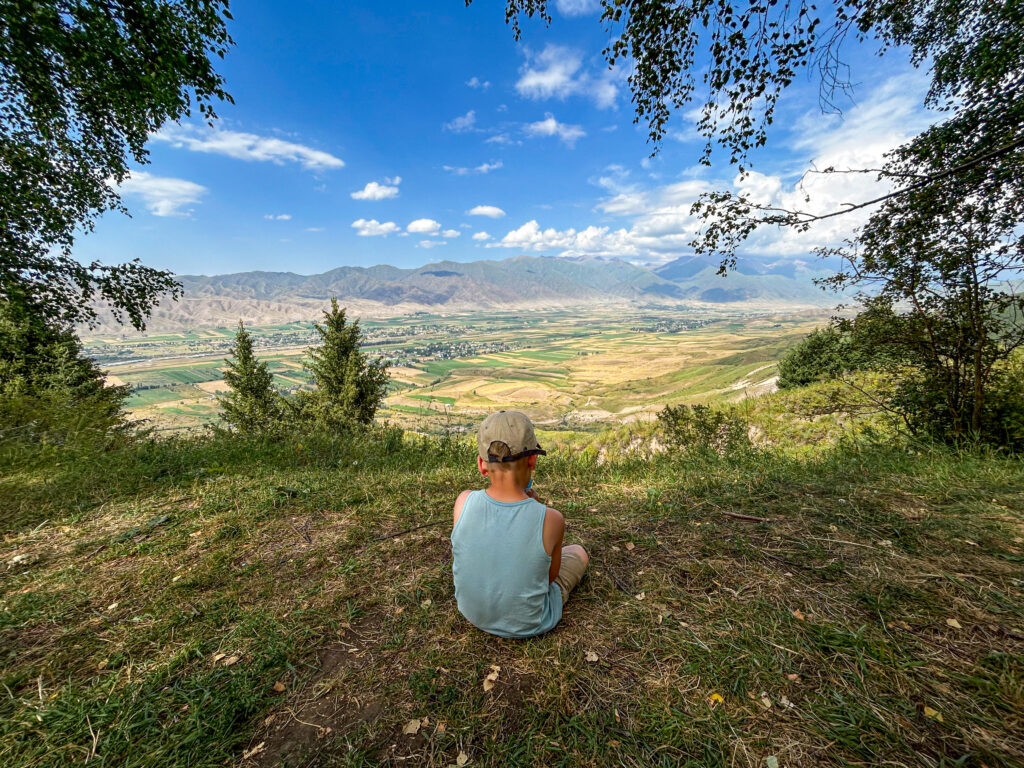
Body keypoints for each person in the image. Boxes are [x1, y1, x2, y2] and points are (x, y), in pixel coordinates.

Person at [451, 410, 589, 638]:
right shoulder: (551, 519)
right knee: (578, 552)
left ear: (482, 465)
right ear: (532, 460)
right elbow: (549, 577)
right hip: (529, 623)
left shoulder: (463, 501)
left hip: (472, 612)